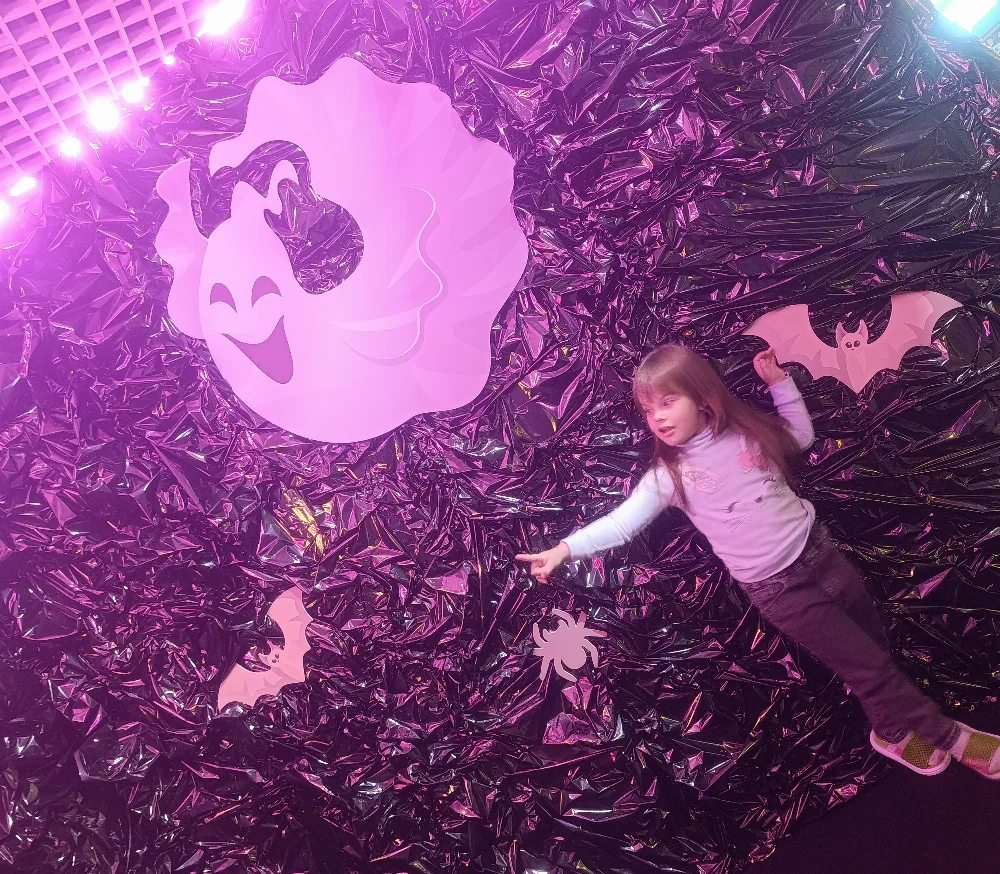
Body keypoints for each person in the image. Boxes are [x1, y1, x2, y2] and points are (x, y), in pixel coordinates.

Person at [516, 343, 1000, 779]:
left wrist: (780, 385)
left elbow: (801, 437)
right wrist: (565, 548)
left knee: (873, 652)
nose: (657, 417)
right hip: (780, 590)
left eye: (667, 401)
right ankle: (953, 738)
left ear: (702, 398)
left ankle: (889, 733)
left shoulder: (747, 432)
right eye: (647, 409)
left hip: (820, 553)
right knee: (868, 669)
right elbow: (622, 523)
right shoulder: (669, 476)